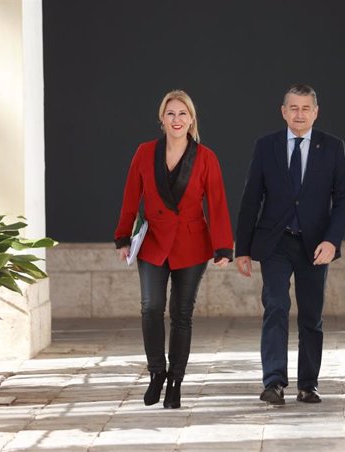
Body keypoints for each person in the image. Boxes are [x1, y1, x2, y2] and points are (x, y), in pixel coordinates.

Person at [114, 90, 234, 409]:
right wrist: (123, 237)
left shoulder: (206, 157)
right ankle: (157, 373)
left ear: (191, 119)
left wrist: (223, 246)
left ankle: (176, 381)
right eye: (171, 114)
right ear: (161, 119)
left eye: (183, 114)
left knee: (181, 313)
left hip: (192, 245)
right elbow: (130, 196)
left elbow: (218, 203)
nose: (177, 119)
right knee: (151, 307)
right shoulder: (144, 153)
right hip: (152, 242)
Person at [235, 84, 345, 405]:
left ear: (316, 112)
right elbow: (250, 199)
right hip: (274, 243)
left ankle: (308, 384)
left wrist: (332, 240)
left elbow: (344, 199)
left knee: (311, 316)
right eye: (293, 108)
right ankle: (273, 382)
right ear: (283, 111)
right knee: (276, 307)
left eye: (306, 108)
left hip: (315, 246)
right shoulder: (266, 146)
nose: (299, 114)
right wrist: (242, 249)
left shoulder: (332, 147)